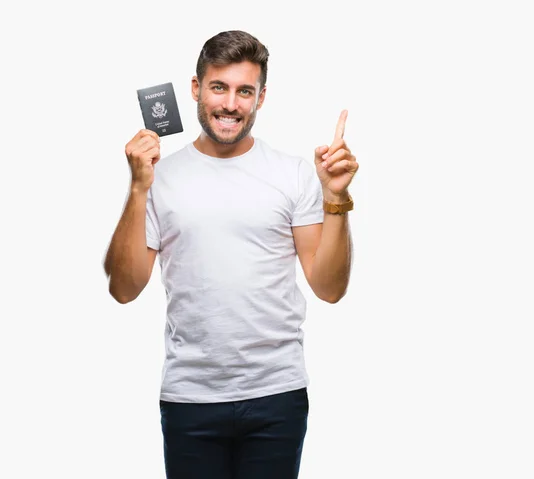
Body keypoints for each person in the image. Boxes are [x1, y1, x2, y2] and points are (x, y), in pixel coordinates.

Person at [103, 30, 359, 479]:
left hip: (277, 394)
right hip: (190, 398)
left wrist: (334, 198)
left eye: (245, 91)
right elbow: (124, 289)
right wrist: (139, 186)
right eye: (219, 87)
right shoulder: (160, 177)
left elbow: (329, 288)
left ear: (261, 98)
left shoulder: (294, 173)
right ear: (196, 88)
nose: (230, 104)